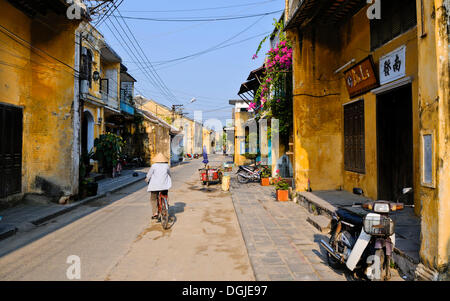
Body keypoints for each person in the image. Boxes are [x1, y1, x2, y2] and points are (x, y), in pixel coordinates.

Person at [145, 153, 172, 221]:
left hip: (155, 186)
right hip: (164, 186)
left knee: (153, 198)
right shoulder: (167, 166)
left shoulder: (154, 166)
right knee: (165, 195)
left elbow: (149, 175)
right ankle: (166, 205)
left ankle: (155, 213)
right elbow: (169, 174)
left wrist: (147, 179)